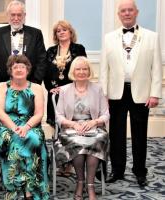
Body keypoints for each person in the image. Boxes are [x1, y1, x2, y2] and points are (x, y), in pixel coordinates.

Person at [100, 0, 162, 187]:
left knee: (140, 134)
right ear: (118, 15)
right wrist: (104, 94)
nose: (126, 13)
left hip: (141, 92)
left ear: (136, 12)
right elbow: (104, 68)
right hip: (115, 93)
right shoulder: (108, 37)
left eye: (130, 10)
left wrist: (155, 94)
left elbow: (157, 68)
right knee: (116, 134)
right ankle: (117, 170)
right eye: (123, 11)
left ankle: (139, 171)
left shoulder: (152, 36)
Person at [0, 55, 49, 200]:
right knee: (14, 140)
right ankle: (16, 189)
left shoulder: (36, 87)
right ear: (10, 70)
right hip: (7, 125)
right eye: (15, 67)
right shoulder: (1, 86)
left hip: (30, 124)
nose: (19, 69)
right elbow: (0, 112)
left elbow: (39, 114)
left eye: (22, 67)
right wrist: (14, 128)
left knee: (34, 138)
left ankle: (30, 188)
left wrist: (26, 127)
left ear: (28, 69)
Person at [54, 56, 109, 200]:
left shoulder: (97, 89)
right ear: (73, 71)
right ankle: (80, 182)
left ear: (89, 71)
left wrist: (94, 122)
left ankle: (90, 185)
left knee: (97, 140)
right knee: (76, 142)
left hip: (93, 127)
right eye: (78, 69)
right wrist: (72, 124)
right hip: (72, 128)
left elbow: (106, 114)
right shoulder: (65, 90)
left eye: (85, 69)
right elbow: (58, 115)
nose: (82, 72)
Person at [0, 0, 46, 84]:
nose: (16, 18)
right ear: (8, 15)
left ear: (24, 15)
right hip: (4, 84)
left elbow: (42, 60)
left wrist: (35, 82)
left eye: (19, 15)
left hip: (30, 85)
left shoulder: (36, 33)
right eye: (13, 15)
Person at [44, 20, 87, 127]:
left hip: (74, 92)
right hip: (55, 92)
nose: (61, 32)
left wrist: (69, 88)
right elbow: (46, 72)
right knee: (58, 123)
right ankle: (58, 141)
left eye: (64, 30)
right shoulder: (50, 51)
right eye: (58, 31)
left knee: (73, 122)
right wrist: (50, 88)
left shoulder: (79, 49)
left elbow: (84, 70)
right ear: (56, 35)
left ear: (70, 33)